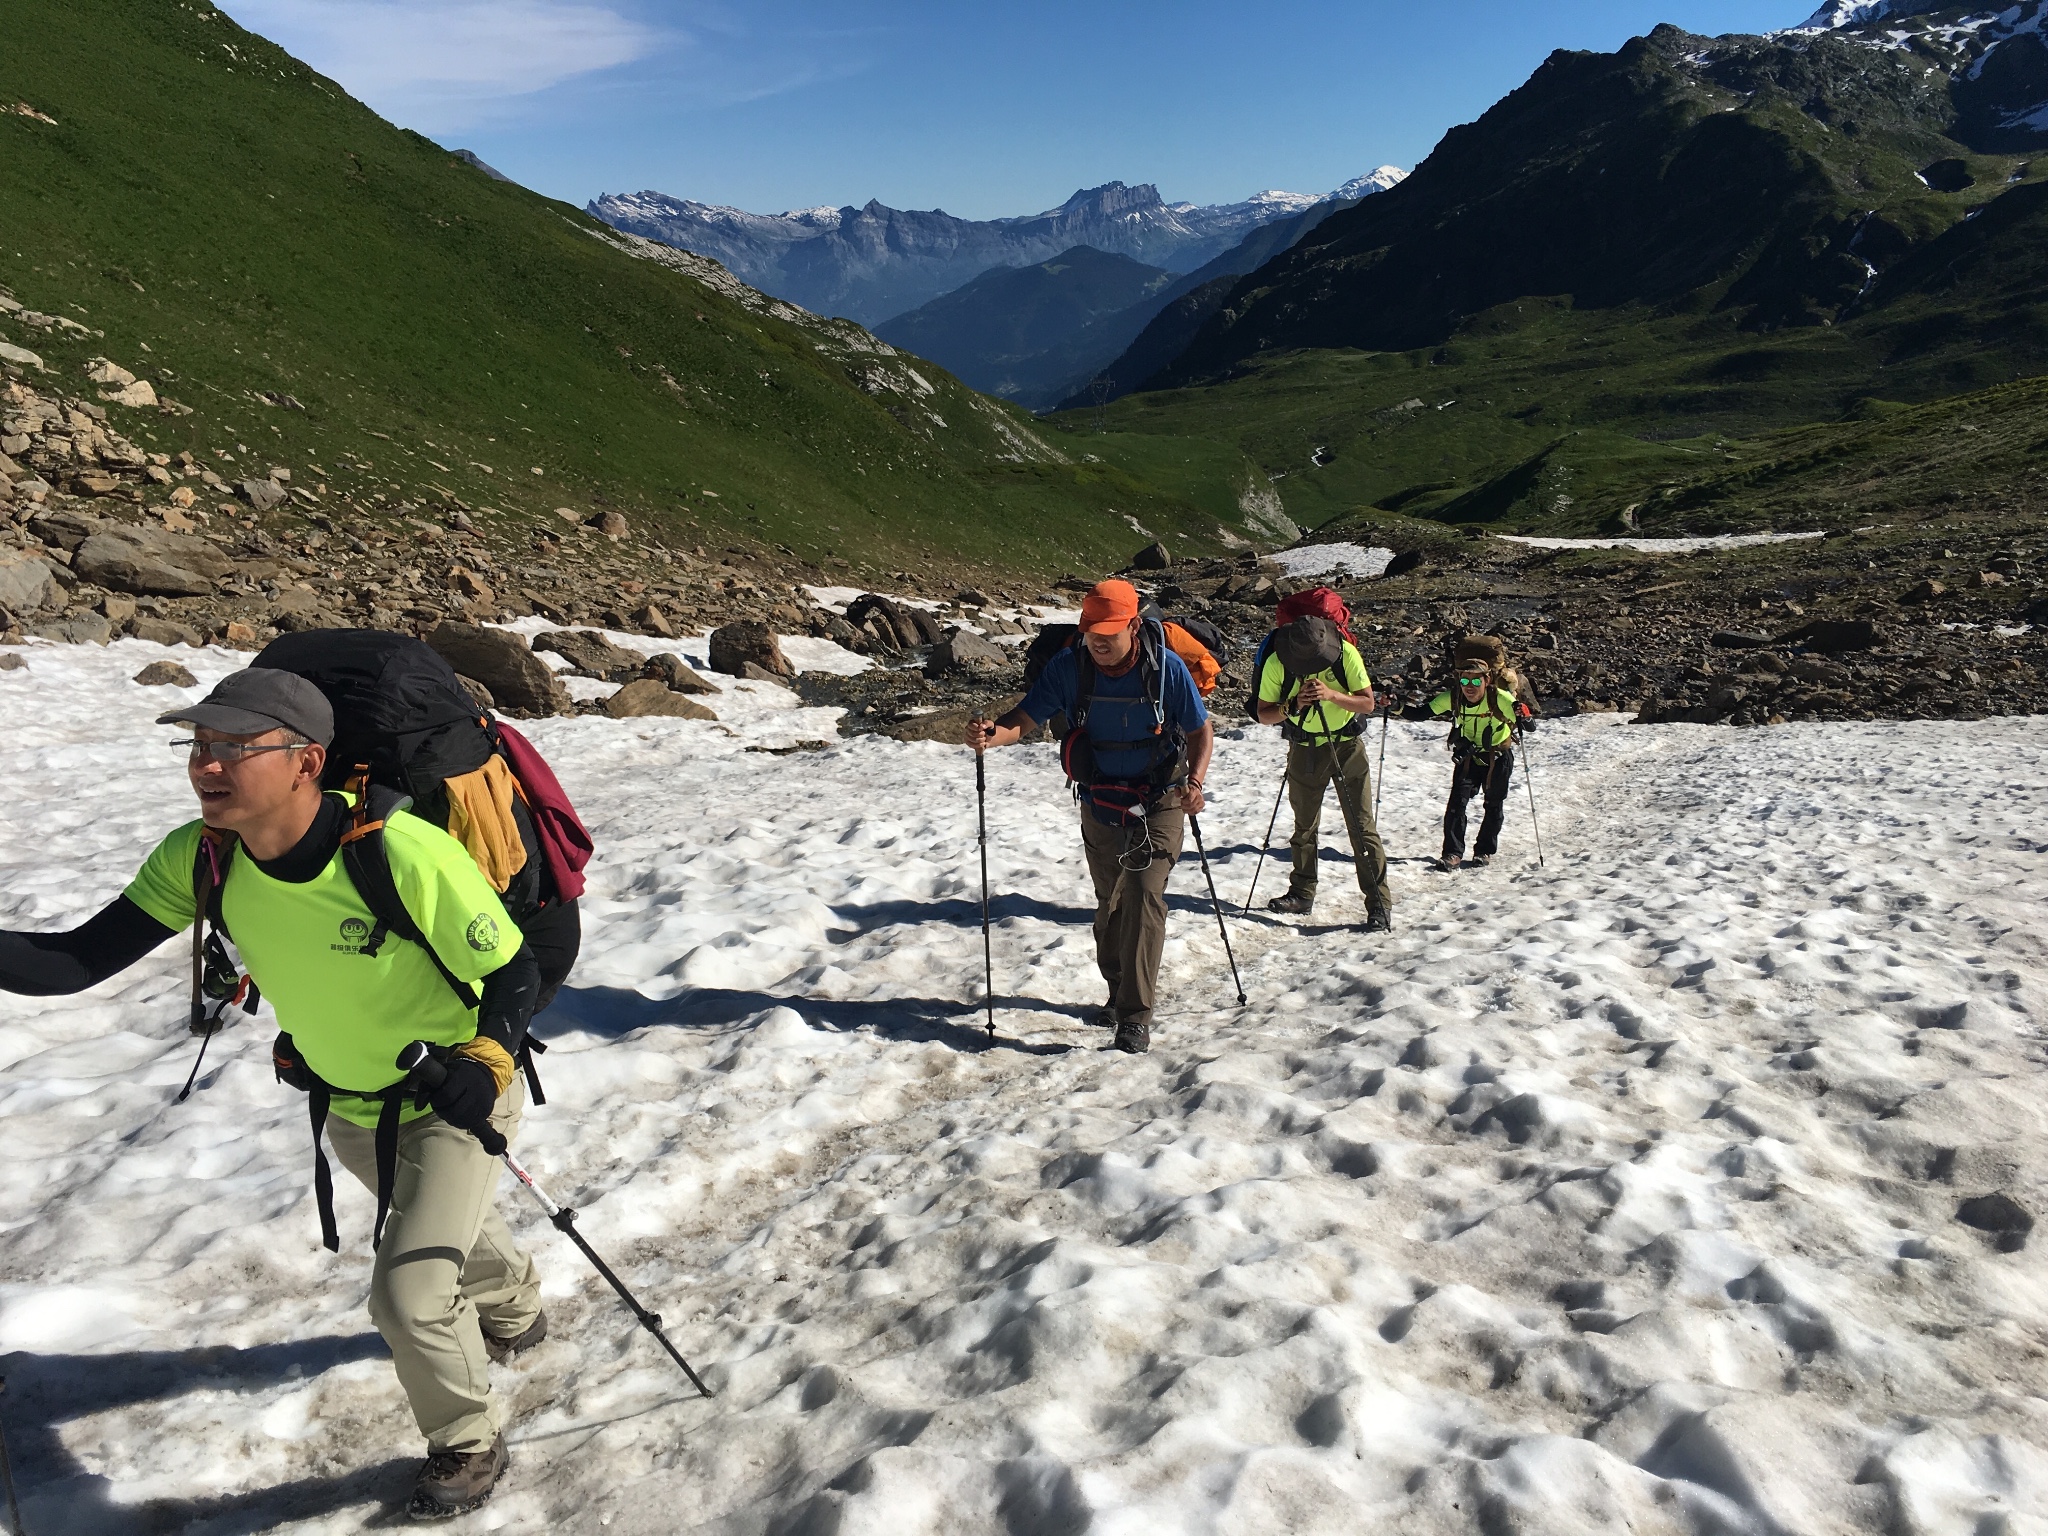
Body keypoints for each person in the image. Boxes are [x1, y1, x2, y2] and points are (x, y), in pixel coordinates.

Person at [0, 669, 544, 1520]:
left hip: (452, 1094)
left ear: (306, 762)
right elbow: (75, 962)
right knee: (439, 1221)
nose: (206, 766)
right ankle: (515, 1305)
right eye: (198, 746)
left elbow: (514, 966)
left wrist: (486, 1058)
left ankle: (467, 1441)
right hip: (349, 1102)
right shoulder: (202, 856)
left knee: (405, 1295)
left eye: (232, 748)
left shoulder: (397, 850)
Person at [966, 578, 1212, 1055]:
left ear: (1135, 626)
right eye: (1091, 630)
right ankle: (1118, 989)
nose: (1097, 640)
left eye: (1109, 631)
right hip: (1101, 798)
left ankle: (1135, 1016)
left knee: (1143, 894)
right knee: (1111, 904)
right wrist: (992, 735)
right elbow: (1026, 717)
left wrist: (1195, 783)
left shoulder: (1166, 670)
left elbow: (1201, 730)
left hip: (1160, 795)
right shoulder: (1070, 666)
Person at [1253, 614, 1393, 929]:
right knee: (1304, 827)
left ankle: (1379, 905)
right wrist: (1293, 704)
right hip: (1304, 748)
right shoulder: (1278, 663)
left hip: (1346, 747)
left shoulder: (1346, 654)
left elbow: (1367, 704)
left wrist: (1331, 696)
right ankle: (1302, 894)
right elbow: (1264, 715)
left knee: (1361, 827)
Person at [1414, 660, 1527, 869]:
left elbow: (1528, 725)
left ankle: (1484, 851)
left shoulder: (1499, 698)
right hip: (1469, 758)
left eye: (1476, 680)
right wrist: (1394, 706)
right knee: (1457, 804)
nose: (1469, 686)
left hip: (1498, 758)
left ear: (1487, 680)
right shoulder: (1455, 698)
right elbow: (1421, 713)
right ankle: (1452, 854)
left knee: (1493, 805)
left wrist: (1523, 714)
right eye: (1465, 679)